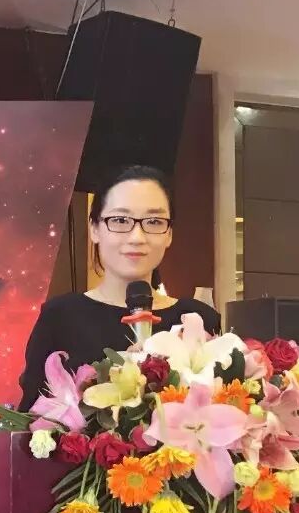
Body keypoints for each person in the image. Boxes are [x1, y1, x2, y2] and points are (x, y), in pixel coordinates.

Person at [17, 165, 221, 410]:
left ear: (169, 234)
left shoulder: (197, 319)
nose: (137, 237)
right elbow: (31, 419)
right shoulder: (60, 316)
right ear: (94, 228)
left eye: (154, 221)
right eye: (120, 220)